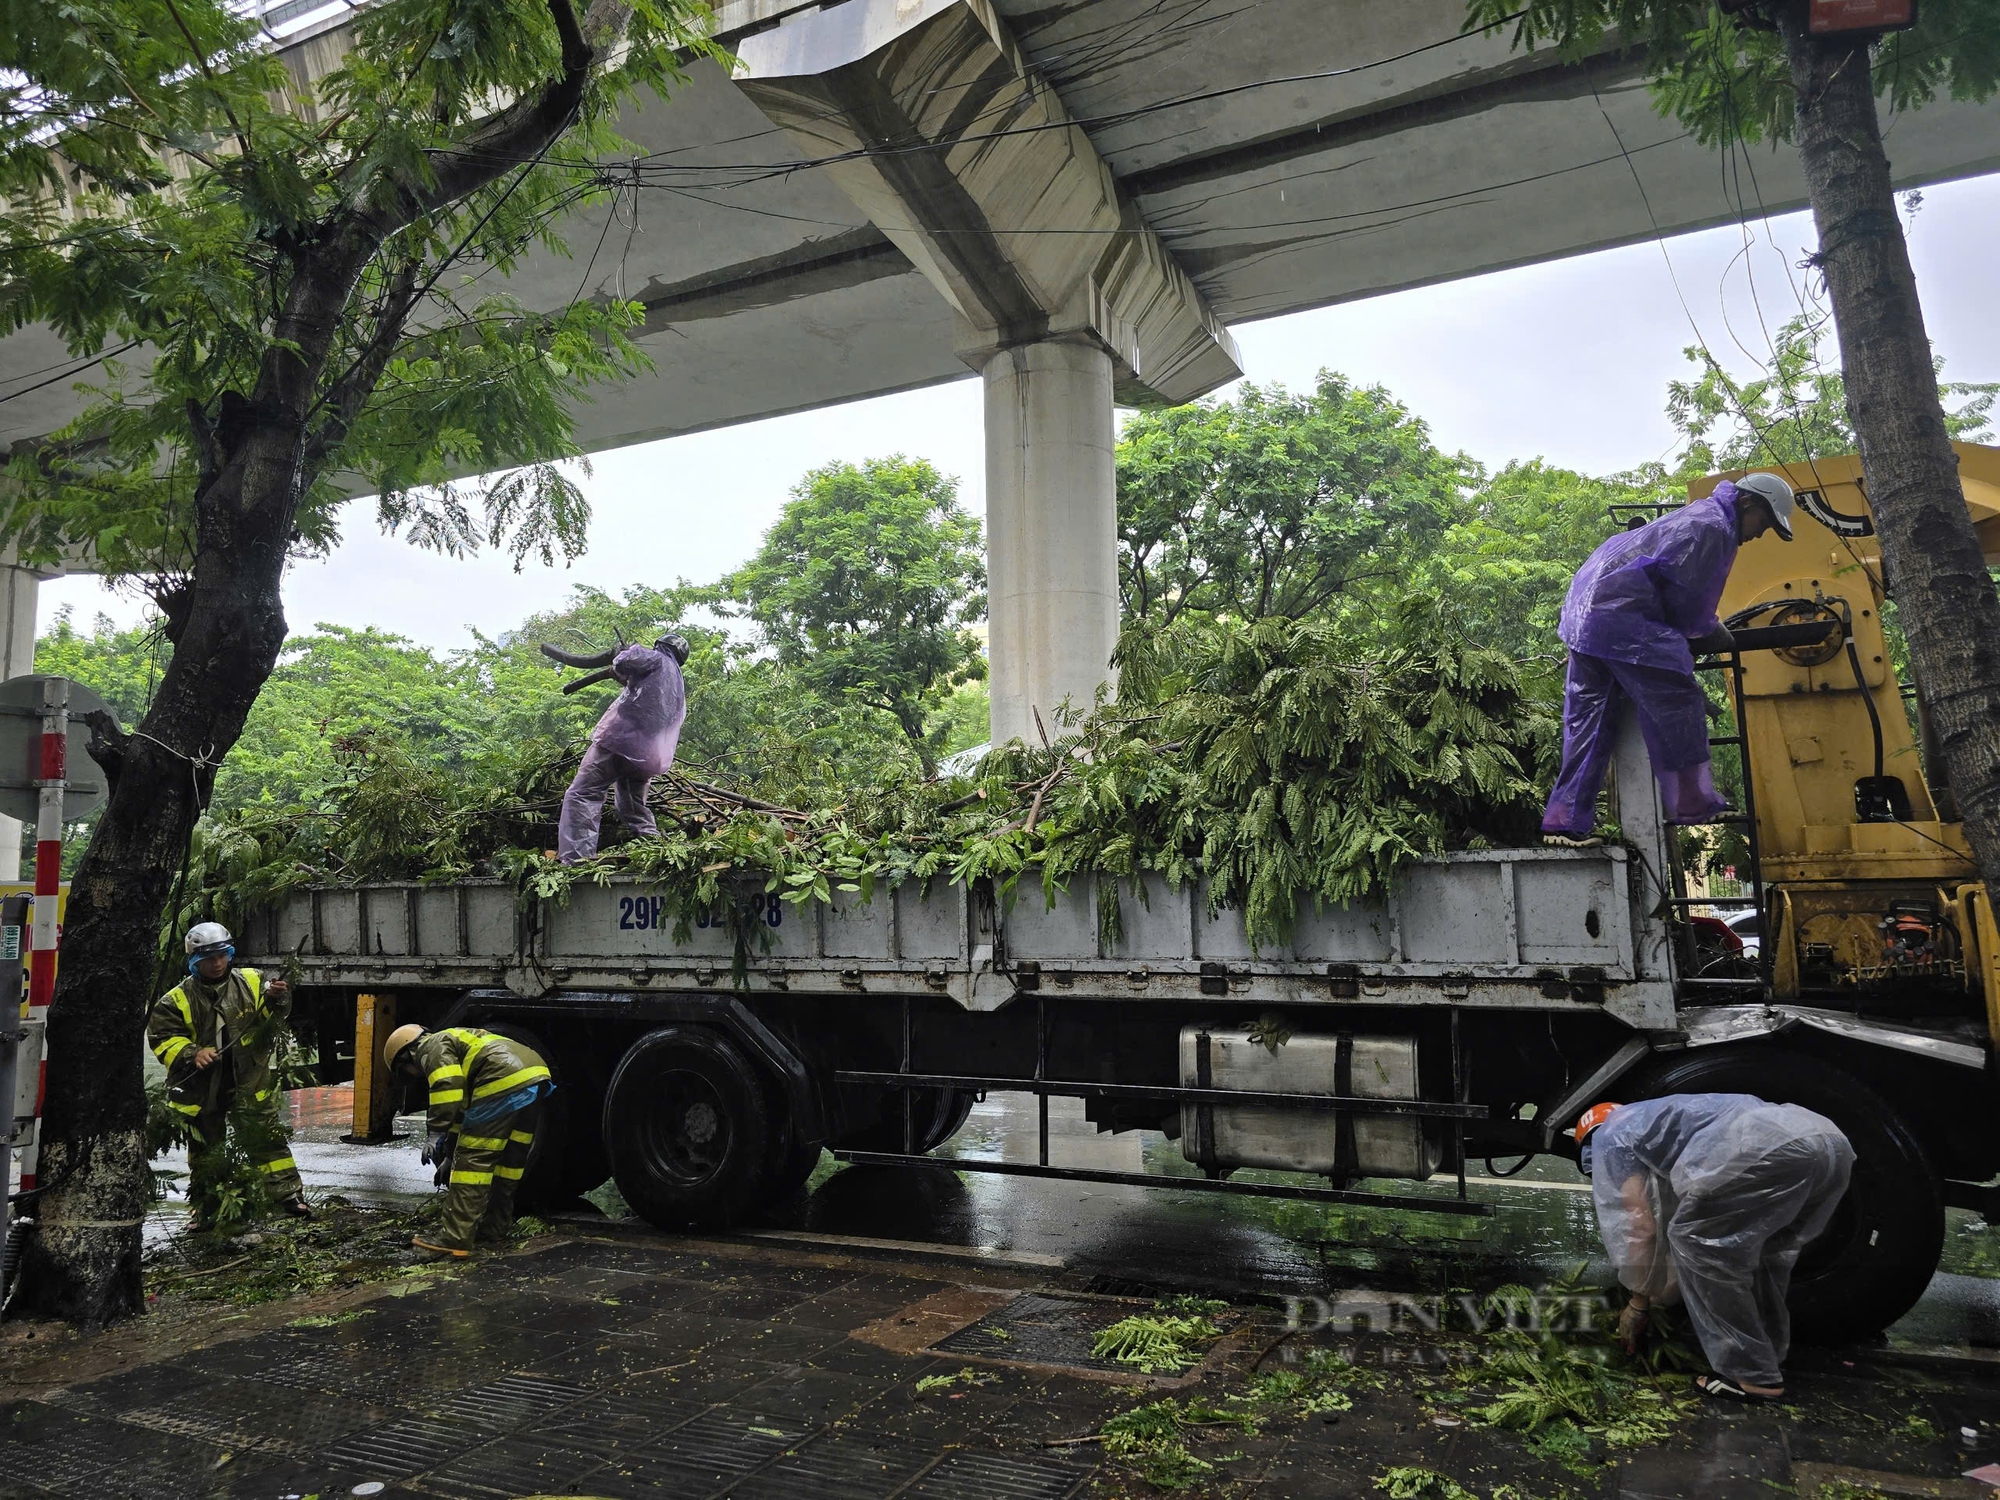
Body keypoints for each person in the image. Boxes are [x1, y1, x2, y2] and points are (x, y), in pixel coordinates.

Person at [1541, 472, 1797, 846]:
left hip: (1584, 618)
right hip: (1621, 618)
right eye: (1765, 523)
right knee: (1678, 699)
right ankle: (1695, 801)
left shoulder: (1693, 516)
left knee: (1589, 722)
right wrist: (1710, 629)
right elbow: (1689, 601)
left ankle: (1564, 822)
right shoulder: (1713, 527)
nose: (1761, 534)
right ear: (1747, 504)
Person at [1574, 1093, 1853, 1401]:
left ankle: (1752, 1376)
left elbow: (1641, 1227)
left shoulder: (1611, 1138)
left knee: (1698, 1245)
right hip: (1829, 1143)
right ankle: (1765, 1354)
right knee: (1759, 1253)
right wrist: (1663, 1296)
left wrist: (1638, 1304)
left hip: (1769, 1149)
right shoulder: (1656, 1122)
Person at [148, 921, 312, 1225]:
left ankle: (288, 1197)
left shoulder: (251, 981)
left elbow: (269, 1020)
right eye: (210, 958)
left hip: (248, 1080)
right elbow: (161, 1038)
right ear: (195, 960)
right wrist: (192, 1052)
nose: (218, 963)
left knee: (266, 1141)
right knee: (206, 1151)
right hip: (202, 1088)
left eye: (222, 955)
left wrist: (278, 999)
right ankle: (207, 1209)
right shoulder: (175, 1000)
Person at [382, 1024, 553, 1259]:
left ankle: (454, 1237)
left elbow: (447, 1088)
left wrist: (435, 1133)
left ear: (406, 1056)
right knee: (507, 1166)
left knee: (471, 1164)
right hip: (532, 1078)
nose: (414, 1076)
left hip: (501, 1078)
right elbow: (460, 1114)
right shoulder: (459, 1046)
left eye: (406, 1072)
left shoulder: (430, 1047)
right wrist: (449, 1155)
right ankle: (494, 1228)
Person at [557, 633, 690, 864]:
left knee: (583, 794)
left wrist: (623, 651)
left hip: (618, 743)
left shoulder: (656, 658)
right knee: (634, 807)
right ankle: (658, 851)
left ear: (661, 646)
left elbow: (623, 662)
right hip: (649, 757)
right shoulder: (677, 686)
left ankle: (576, 860)